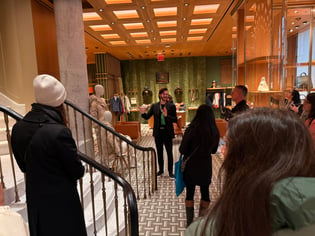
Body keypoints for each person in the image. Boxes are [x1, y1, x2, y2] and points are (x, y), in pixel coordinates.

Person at [185, 108, 315, 236]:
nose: (223, 150)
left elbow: (182, 148)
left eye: (228, 144)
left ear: (251, 156)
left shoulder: (208, 229)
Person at [11, 74, 87, 236]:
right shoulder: (59, 132)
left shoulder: (18, 129)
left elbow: (23, 166)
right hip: (62, 204)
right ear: (59, 103)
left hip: (36, 203)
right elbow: (77, 171)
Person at [179, 104, 220, 227]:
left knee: (190, 193)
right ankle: (202, 222)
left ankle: (190, 223)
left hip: (191, 166)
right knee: (205, 192)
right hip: (205, 165)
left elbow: (182, 150)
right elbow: (213, 151)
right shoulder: (214, 131)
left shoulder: (191, 129)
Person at [139, 87, 177, 178]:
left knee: (169, 152)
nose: (165, 96)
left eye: (167, 94)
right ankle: (160, 170)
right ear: (160, 95)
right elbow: (147, 117)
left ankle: (171, 172)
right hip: (158, 133)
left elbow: (175, 119)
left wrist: (167, 116)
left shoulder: (171, 106)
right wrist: (143, 113)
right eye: (164, 94)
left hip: (167, 132)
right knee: (159, 152)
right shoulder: (154, 106)